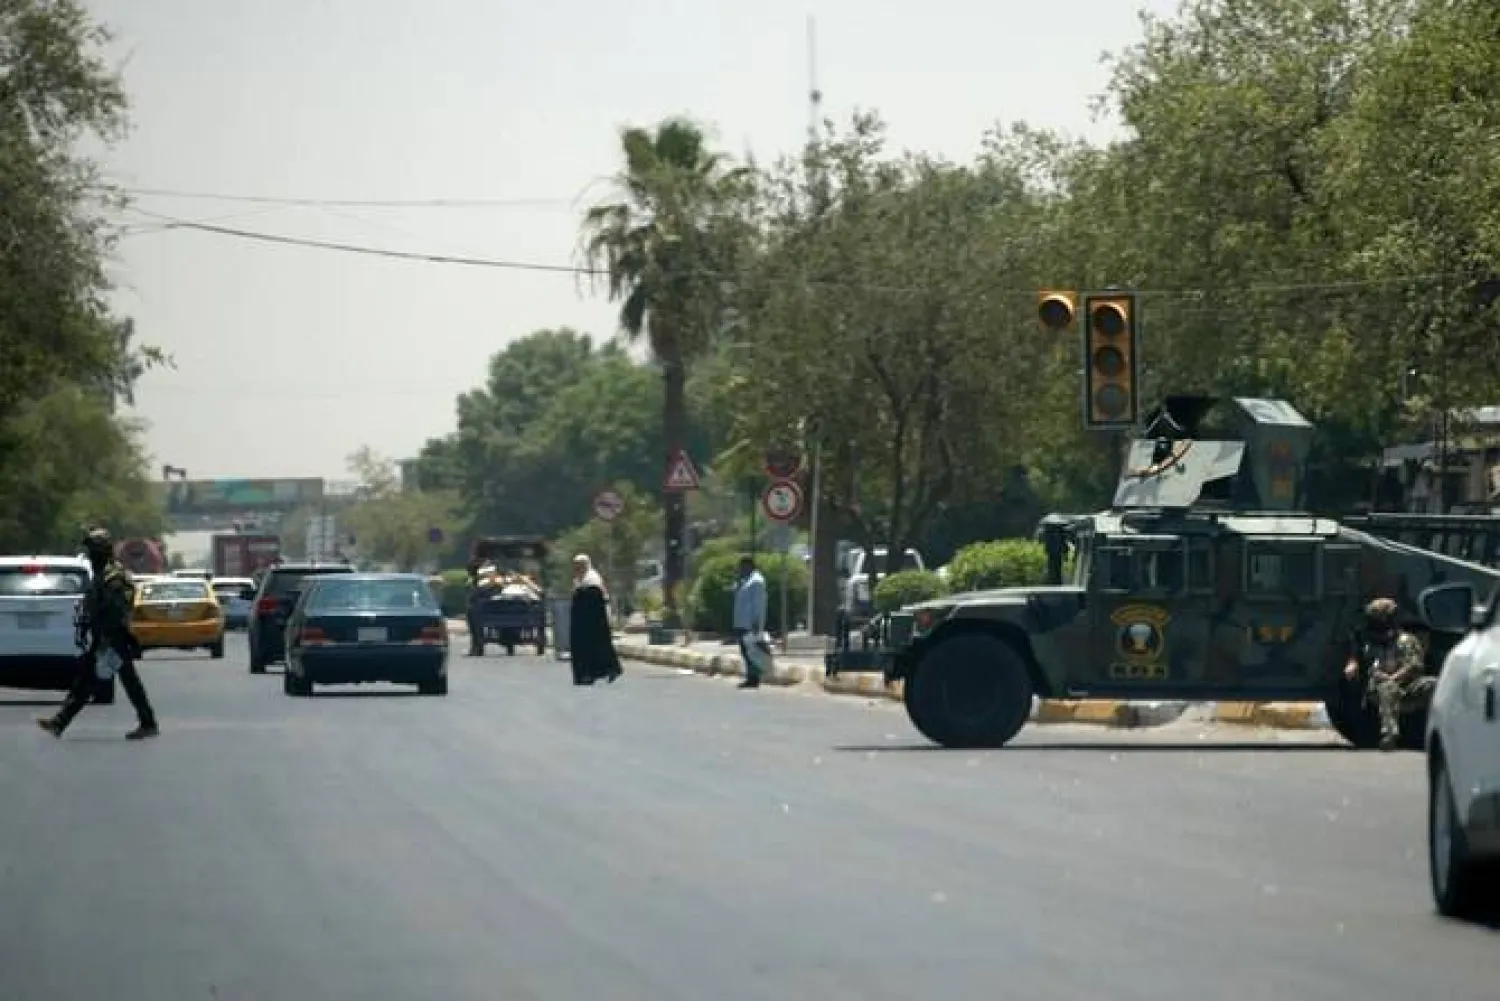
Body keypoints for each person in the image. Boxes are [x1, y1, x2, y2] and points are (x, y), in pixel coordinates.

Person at [38, 527, 160, 740]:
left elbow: (116, 609)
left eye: (93, 550)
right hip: (104, 635)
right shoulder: (102, 574)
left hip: (113, 637)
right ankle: (59, 722)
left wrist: (106, 638)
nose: (90, 555)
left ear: (102, 551)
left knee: (118, 681)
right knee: (90, 680)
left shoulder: (114, 576)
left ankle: (148, 722)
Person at [1344, 596, 1435, 751]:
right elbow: (1357, 658)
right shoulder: (1366, 641)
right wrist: (1353, 665)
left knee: (1433, 685)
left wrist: (1394, 677)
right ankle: (1390, 735)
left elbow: (1414, 665)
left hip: (1408, 685)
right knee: (1387, 688)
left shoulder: (1406, 640)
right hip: (1380, 686)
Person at [568, 553, 621, 686]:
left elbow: (594, 603)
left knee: (597, 644)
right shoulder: (580, 580)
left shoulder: (591, 581)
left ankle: (597, 672)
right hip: (584, 623)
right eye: (576, 566)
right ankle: (589, 674)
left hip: (592, 623)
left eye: (580, 565)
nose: (577, 568)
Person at [732, 555, 768, 690]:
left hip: (750, 623)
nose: (739, 570)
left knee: (751, 651)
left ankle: (754, 678)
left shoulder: (757, 581)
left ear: (748, 566)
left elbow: (758, 604)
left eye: (742, 567)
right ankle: (750, 676)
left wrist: (756, 622)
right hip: (742, 622)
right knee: (746, 651)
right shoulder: (746, 581)